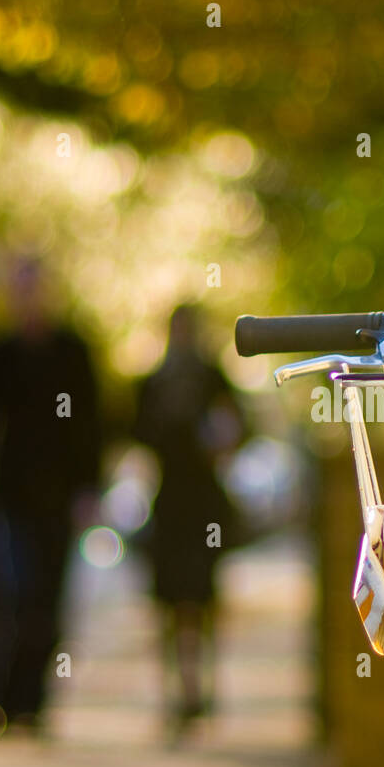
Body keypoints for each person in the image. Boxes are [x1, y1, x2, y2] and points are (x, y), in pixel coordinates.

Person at [0, 258, 102, 731]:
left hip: (57, 499)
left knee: (45, 602)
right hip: (9, 497)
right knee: (6, 596)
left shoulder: (73, 352)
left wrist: (87, 488)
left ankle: (31, 704)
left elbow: (91, 424)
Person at [134, 304, 244, 742]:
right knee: (169, 605)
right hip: (171, 505)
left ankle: (201, 690)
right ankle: (176, 694)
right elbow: (137, 434)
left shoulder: (212, 380)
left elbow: (236, 428)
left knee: (202, 601)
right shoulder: (153, 385)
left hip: (203, 507)